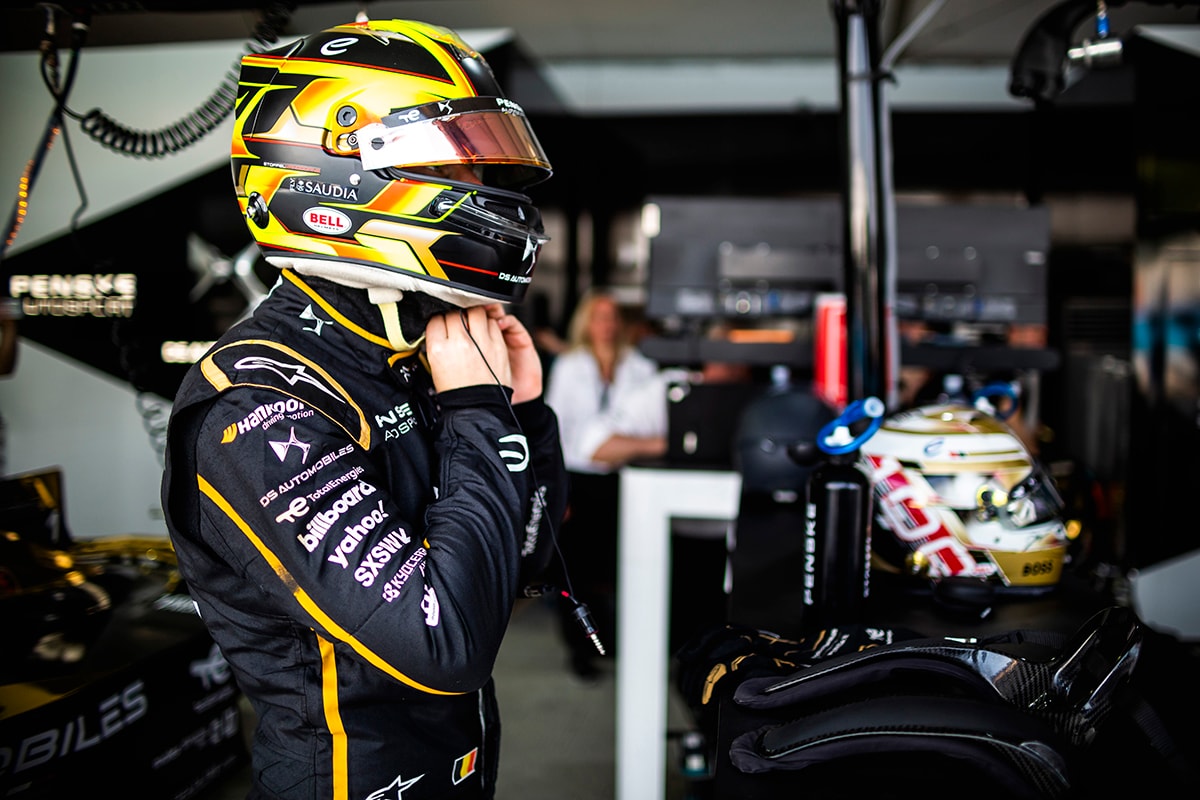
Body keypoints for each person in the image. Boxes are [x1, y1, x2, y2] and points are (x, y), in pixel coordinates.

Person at [160, 19, 568, 800]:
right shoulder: (259, 402)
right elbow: (446, 644)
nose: (484, 190)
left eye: (482, 164)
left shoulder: (414, 344)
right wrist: (478, 412)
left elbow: (524, 568)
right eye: (453, 163)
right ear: (333, 172)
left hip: (463, 769)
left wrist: (522, 415)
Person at [544, 289, 665, 679]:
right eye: (599, 316)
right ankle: (581, 650)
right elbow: (554, 430)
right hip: (578, 479)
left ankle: (618, 642)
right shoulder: (570, 366)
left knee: (621, 566)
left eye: (612, 317)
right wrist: (557, 489)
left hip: (626, 479)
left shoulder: (642, 368)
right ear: (587, 322)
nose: (607, 324)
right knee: (576, 570)